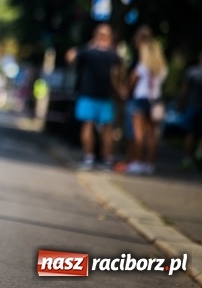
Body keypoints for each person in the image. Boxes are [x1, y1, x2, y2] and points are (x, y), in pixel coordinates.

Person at [65, 24, 124, 171]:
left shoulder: (87, 52)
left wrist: (89, 45)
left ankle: (88, 158)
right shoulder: (114, 55)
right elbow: (117, 76)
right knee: (107, 128)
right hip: (106, 97)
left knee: (87, 126)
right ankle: (107, 160)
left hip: (87, 95)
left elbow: (70, 56)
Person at [125, 38, 168, 175]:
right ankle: (149, 164)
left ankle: (136, 162)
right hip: (155, 100)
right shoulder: (162, 68)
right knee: (152, 135)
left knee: (138, 133)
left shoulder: (142, 66)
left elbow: (133, 81)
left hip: (141, 99)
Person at [178, 51, 202, 171]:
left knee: (189, 133)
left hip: (192, 106)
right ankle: (199, 152)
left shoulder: (192, 72)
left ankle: (187, 159)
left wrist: (181, 103)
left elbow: (184, 89)